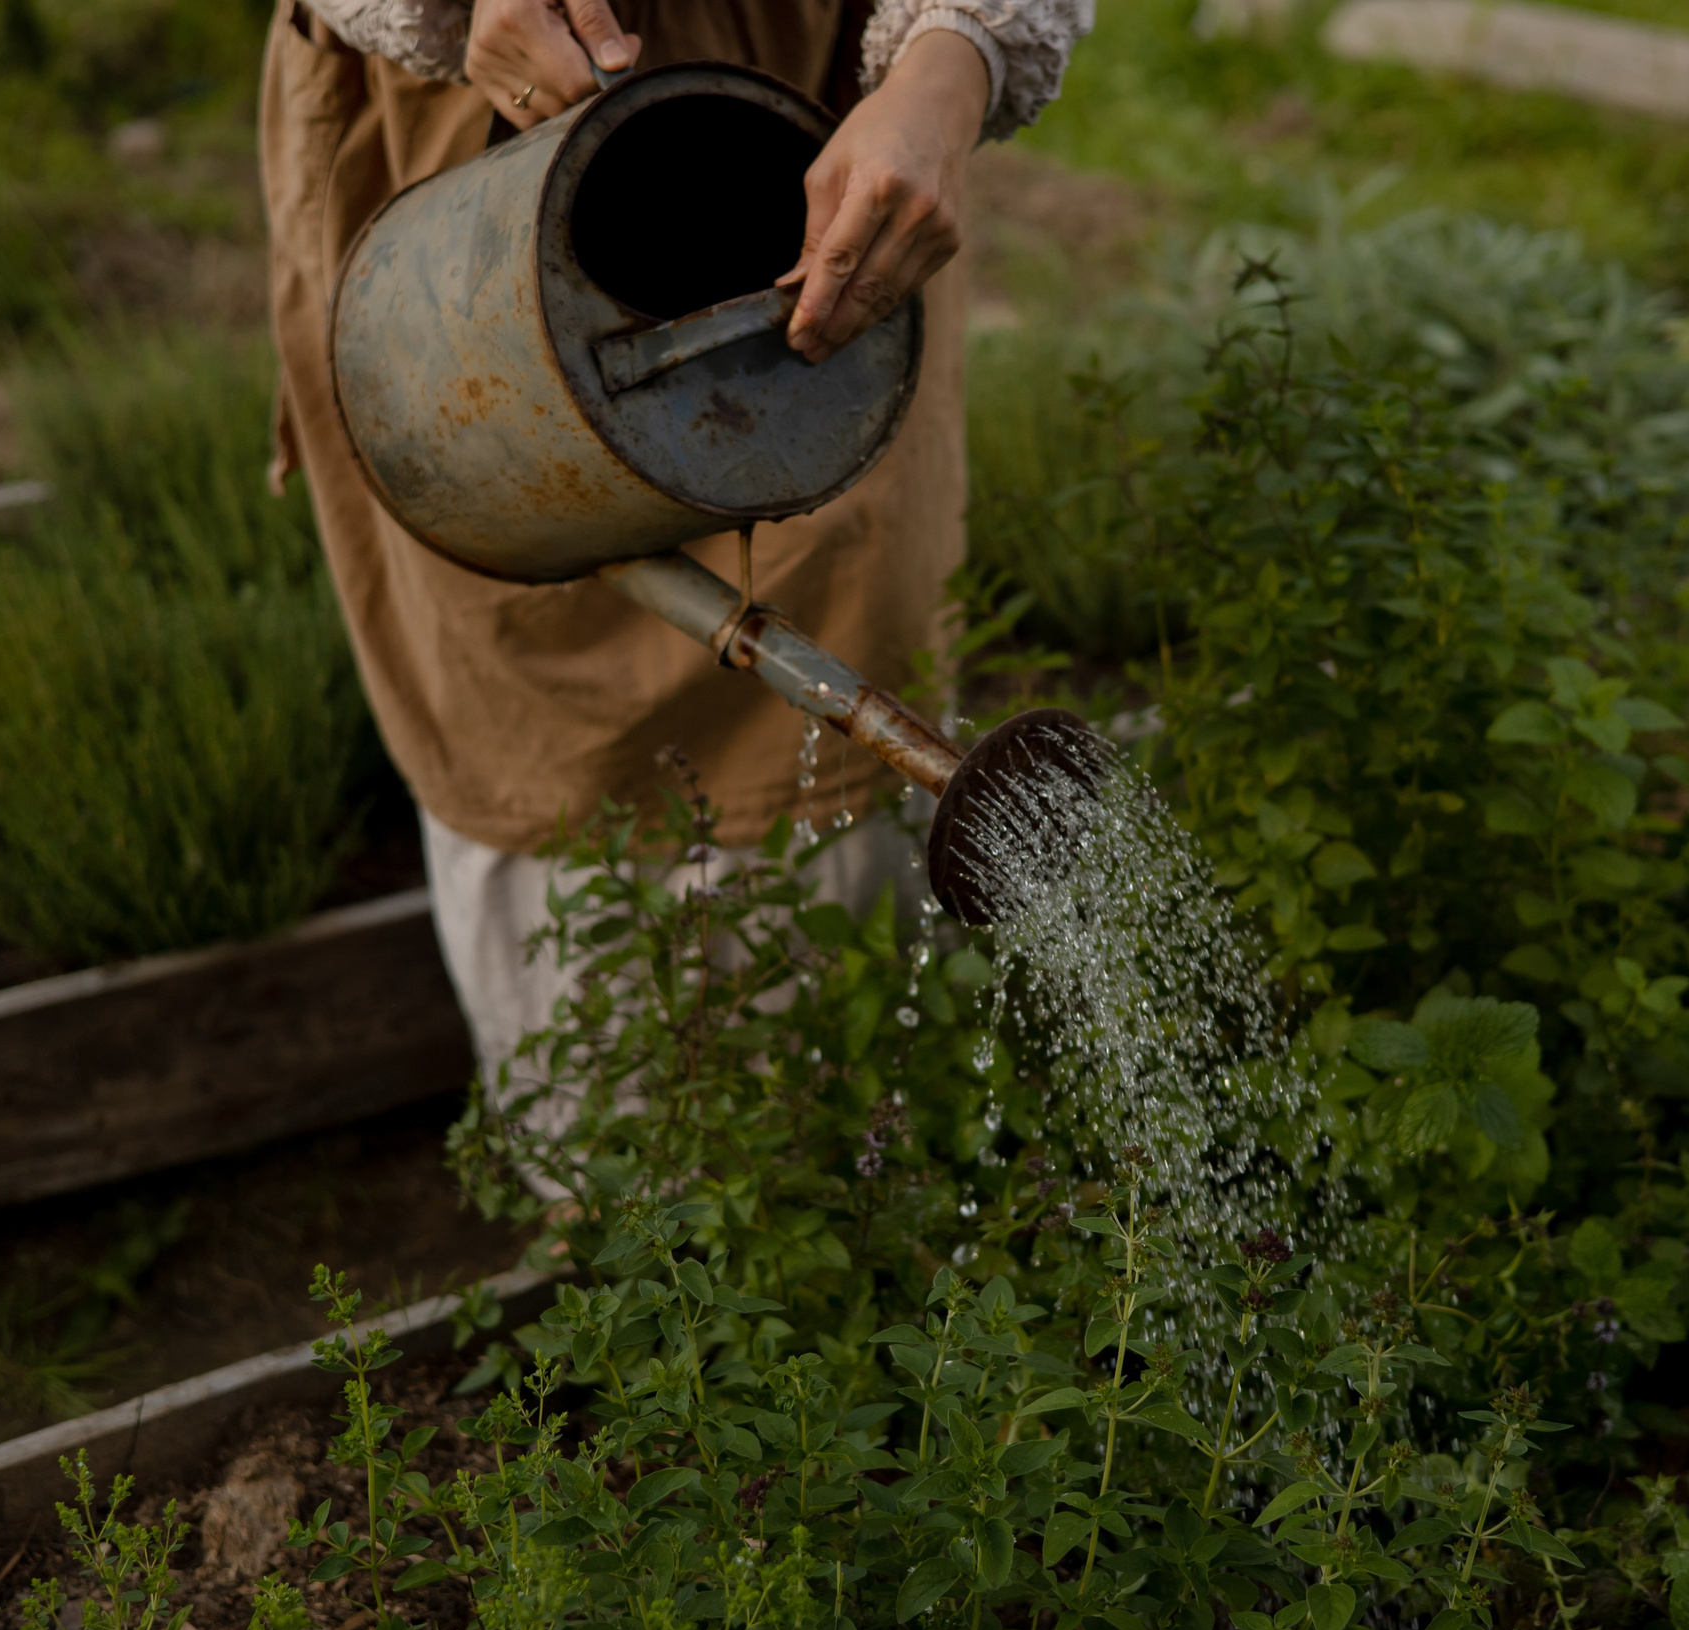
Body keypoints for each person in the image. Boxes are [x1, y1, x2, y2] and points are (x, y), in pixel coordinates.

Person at [261, 0, 1089, 1106]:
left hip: (819, 155)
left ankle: (845, 1168)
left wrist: (953, 66)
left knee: (844, 606)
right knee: (537, 729)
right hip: (470, 162)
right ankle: (616, 1218)